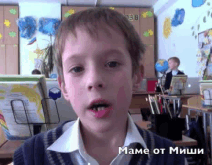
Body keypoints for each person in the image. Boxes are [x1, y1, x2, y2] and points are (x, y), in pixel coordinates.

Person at [13, 8, 187, 165]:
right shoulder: (32, 156)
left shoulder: (170, 158)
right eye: (77, 68)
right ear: (63, 86)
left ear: (136, 76)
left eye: (112, 64)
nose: (94, 80)